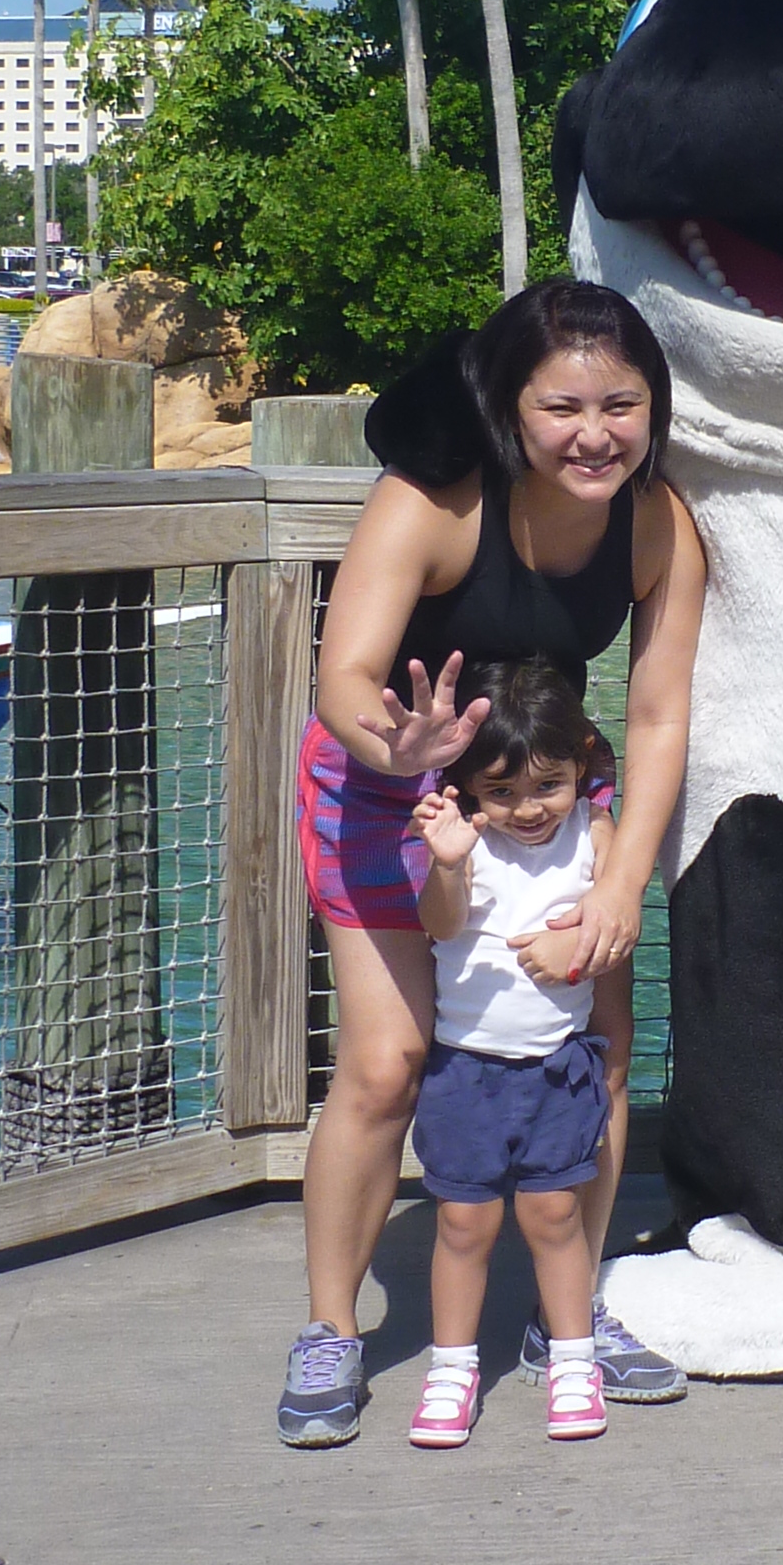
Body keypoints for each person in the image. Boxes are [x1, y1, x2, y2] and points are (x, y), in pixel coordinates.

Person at [276, 278, 708, 1447]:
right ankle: (331, 1329)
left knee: (594, 1050)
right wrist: (399, 746)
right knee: (387, 1063)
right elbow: (344, 674)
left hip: (550, 798)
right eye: (562, 406)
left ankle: (571, 1320)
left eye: (621, 405)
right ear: (509, 406)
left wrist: (620, 883)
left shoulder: (657, 522)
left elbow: (659, 712)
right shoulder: (436, 501)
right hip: (388, 787)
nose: (595, 434)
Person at [401, 662, 621, 1450]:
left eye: (548, 785)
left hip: (558, 1066)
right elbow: (441, 925)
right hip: (466, 1069)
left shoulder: (596, 832)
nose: (528, 809)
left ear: (582, 765)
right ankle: (451, 1368)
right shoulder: (460, 839)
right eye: (501, 792)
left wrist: (578, 940)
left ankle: (573, 1359)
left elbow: (616, 905)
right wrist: (447, 861)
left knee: (555, 1214)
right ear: (466, 785)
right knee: (463, 1222)